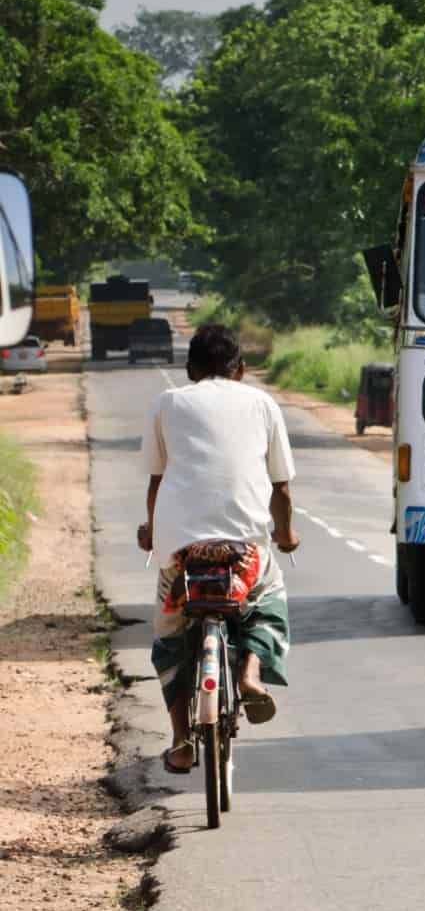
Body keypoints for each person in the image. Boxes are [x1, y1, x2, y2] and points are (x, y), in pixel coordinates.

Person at [136, 325, 300, 774]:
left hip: (181, 553)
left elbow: (156, 482)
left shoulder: (168, 403)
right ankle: (249, 671)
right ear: (241, 370)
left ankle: (181, 741)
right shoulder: (263, 403)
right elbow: (281, 489)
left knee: (170, 638)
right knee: (267, 606)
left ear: (189, 370)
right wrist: (286, 537)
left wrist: (153, 531)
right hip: (244, 550)